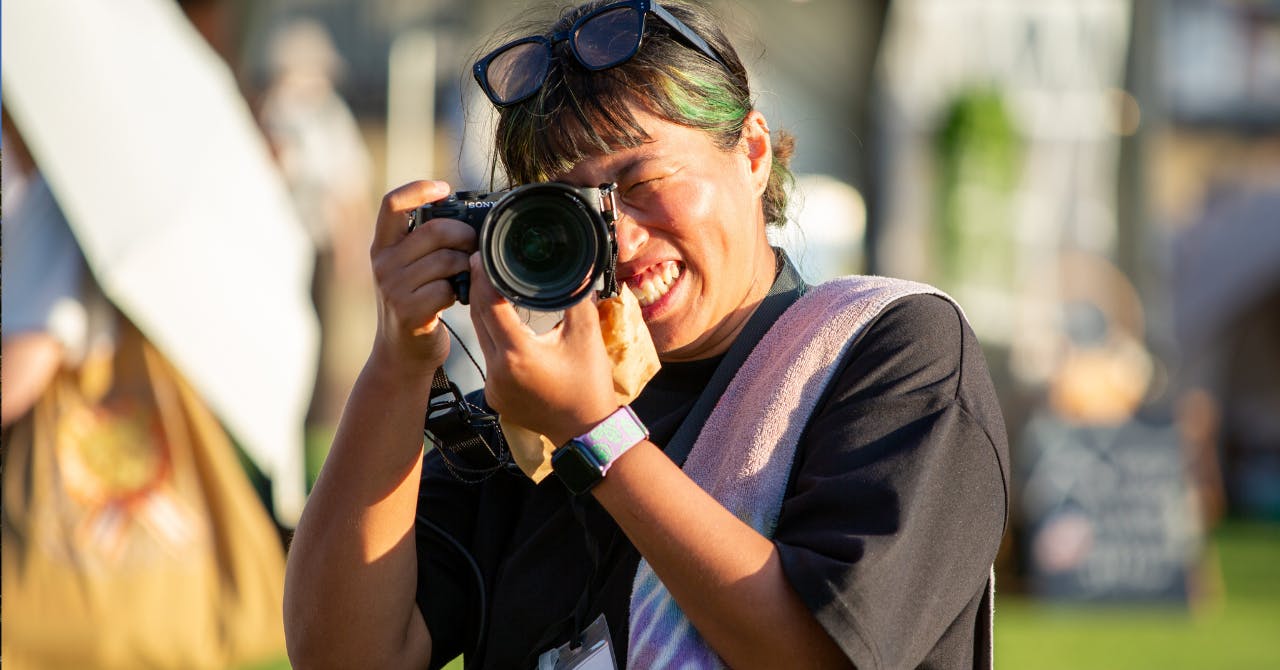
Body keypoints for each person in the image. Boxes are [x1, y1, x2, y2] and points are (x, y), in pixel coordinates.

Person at [283, 1, 1009, 669]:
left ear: (753, 154)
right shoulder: (525, 422)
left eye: (643, 181)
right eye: (570, 207)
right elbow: (342, 657)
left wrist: (596, 435)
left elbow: (824, 655)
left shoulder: (883, 350)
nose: (621, 240)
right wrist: (399, 361)